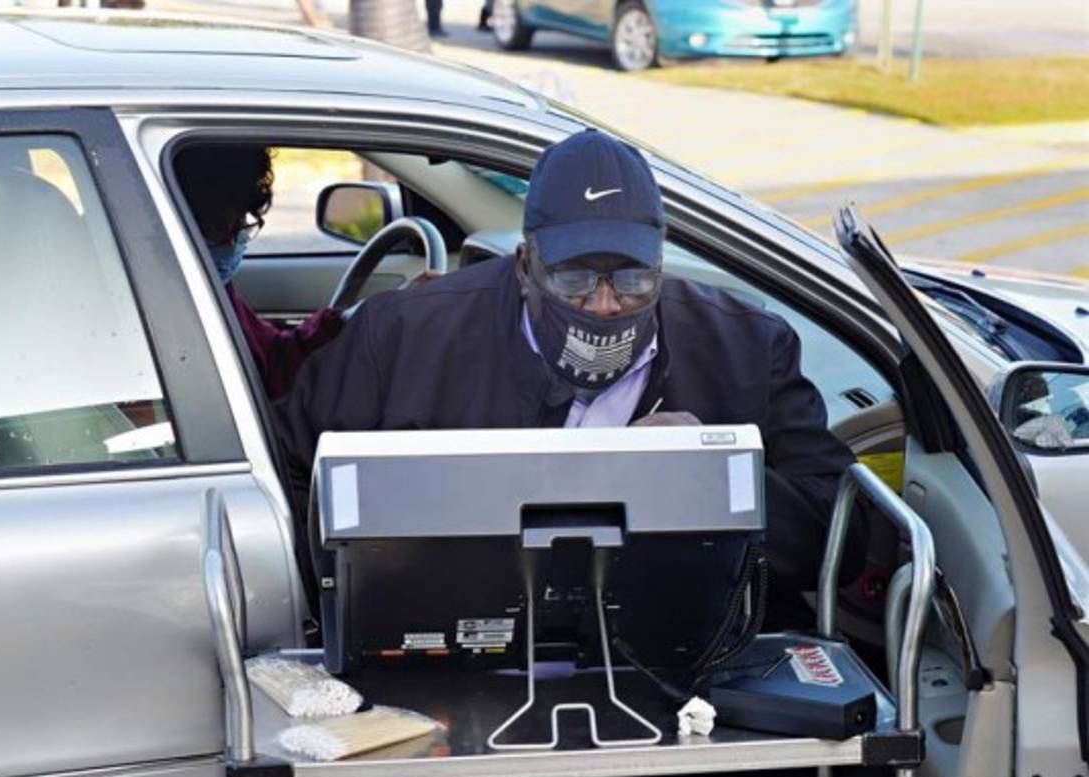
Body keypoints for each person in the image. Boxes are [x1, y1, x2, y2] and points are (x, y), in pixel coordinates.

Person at [274, 129, 860, 619]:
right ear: (524, 266)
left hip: (678, 645)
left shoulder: (745, 347)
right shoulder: (404, 336)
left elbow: (841, 532)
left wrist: (705, 474)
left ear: (662, 262)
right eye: (574, 279)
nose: (604, 305)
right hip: (448, 636)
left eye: (633, 279)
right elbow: (286, 473)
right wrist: (360, 589)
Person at [174, 145, 345, 401]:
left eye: (242, 223)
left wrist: (350, 321)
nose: (233, 242)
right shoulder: (166, 302)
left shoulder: (214, 288)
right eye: (216, 229)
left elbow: (272, 357)